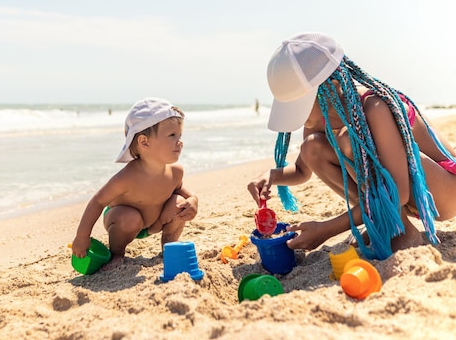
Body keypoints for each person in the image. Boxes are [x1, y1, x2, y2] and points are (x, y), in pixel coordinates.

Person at [247, 32, 456, 260]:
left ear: (330, 87)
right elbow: (301, 171)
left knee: (349, 139)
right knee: (312, 147)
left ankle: (401, 232)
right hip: (402, 192)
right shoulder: (320, 117)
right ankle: (379, 219)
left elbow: (399, 193)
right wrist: (271, 175)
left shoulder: (375, 106)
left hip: (444, 191)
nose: (302, 120)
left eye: (301, 106)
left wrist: (328, 228)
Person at [72, 97, 199, 271]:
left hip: (154, 222)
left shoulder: (175, 171)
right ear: (144, 142)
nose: (180, 141)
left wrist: (192, 202)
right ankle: (117, 254)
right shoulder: (127, 177)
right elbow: (98, 201)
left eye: (179, 135)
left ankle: (168, 248)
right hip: (123, 222)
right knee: (129, 218)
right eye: (172, 135)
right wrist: (82, 236)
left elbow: (186, 193)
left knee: (179, 203)